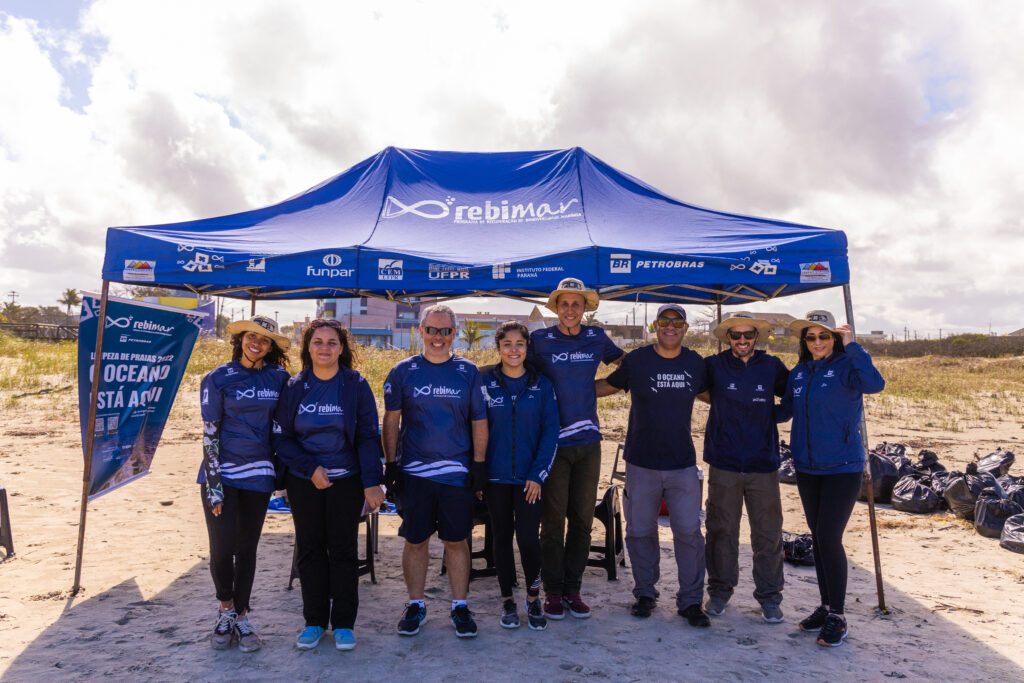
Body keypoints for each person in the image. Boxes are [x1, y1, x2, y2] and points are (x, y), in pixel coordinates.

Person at [595, 304, 711, 628]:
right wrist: (571, 392)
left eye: (677, 322)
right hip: (641, 462)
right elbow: (609, 386)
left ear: (686, 328)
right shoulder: (637, 360)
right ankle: (645, 593)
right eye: (664, 321)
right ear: (655, 326)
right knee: (640, 531)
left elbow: (710, 395)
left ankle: (690, 601)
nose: (670, 326)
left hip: (683, 464)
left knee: (688, 532)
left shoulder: (695, 363)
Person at [273, 319, 384, 651]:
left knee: (343, 549)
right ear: (308, 347)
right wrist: (310, 468)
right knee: (309, 549)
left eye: (332, 342)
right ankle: (315, 621)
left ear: (342, 348)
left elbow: (367, 436)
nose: (325, 348)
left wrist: (371, 482)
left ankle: (344, 624)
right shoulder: (294, 387)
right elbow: (282, 438)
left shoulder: (355, 385)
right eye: (318, 341)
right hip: (306, 481)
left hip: (347, 480)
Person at [382, 304, 488, 638]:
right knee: (416, 541)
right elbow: (392, 419)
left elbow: (479, 421)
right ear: (421, 331)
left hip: (457, 474)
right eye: (432, 330)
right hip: (415, 474)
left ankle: (459, 606)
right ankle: (416, 604)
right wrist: (390, 463)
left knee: (456, 542)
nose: (438, 337)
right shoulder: (403, 371)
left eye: (445, 331)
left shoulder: (468, 372)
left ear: (455, 333)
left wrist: (480, 465)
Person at [780, 310, 885, 647]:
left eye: (824, 336)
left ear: (835, 339)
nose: (817, 343)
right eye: (811, 337)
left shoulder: (848, 367)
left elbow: (875, 384)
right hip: (807, 468)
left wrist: (854, 346)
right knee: (819, 538)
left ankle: (838, 616)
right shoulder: (799, 372)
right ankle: (825, 607)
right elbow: (784, 411)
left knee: (828, 538)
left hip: (843, 467)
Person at [528, 277, 624, 620]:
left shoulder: (596, 337)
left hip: (588, 443)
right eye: (564, 304)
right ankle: (553, 591)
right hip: (552, 443)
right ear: (556, 307)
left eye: (577, 304)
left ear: (586, 308)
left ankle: (573, 589)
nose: (570, 310)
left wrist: (598, 389)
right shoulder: (539, 339)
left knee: (583, 519)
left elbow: (625, 368)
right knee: (552, 521)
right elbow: (517, 370)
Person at [199, 315, 291, 652]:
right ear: (241, 339)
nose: (257, 343)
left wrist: (282, 477)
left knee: (246, 551)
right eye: (252, 336)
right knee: (221, 551)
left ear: (271, 347)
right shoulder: (217, 378)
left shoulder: (280, 378)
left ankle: (242, 617)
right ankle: (225, 610)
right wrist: (214, 484)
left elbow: (284, 427)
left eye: (265, 340)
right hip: (221, 476)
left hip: (259, 476)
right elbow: (209, 435)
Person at [700, 312, 790, 623]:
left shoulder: (771, 366)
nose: (742, 341)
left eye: (747, 335)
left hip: (762, 464)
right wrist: (722, 407)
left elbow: (792, 396)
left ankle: (769, 597)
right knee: (721, 530)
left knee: (767, 533)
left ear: (756, 337)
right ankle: (720, 591)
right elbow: (696, 388)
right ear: (727, 339)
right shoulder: (714, 365)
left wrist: (770, 417)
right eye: (736, 336)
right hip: (723, 461)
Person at [481, 321, 560, 630]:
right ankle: (507, 602)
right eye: (507, 344)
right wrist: (479, 473)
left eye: (519, 344)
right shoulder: (486, 383)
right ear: (498, 348)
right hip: (496, 479)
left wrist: (538, 474)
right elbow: (477, 428)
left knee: (528, 538)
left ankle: (532, 597)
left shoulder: (542, 385)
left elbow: (551, 431)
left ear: (527, 348)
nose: (513, 350)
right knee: (500, 539)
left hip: (530, 480)